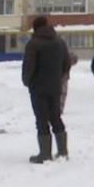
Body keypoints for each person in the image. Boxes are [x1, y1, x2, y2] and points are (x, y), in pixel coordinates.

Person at [23, 16, 70, 163]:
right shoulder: (60, 42)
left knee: (41, 119)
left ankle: (44, 153)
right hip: (55, 87)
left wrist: (27, 81)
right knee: (56, 117)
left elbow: (29, 67)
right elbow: (66, 64)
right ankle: (62, 151)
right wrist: (58, 78)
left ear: (35, 27)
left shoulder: (33, 44)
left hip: (38, 88)